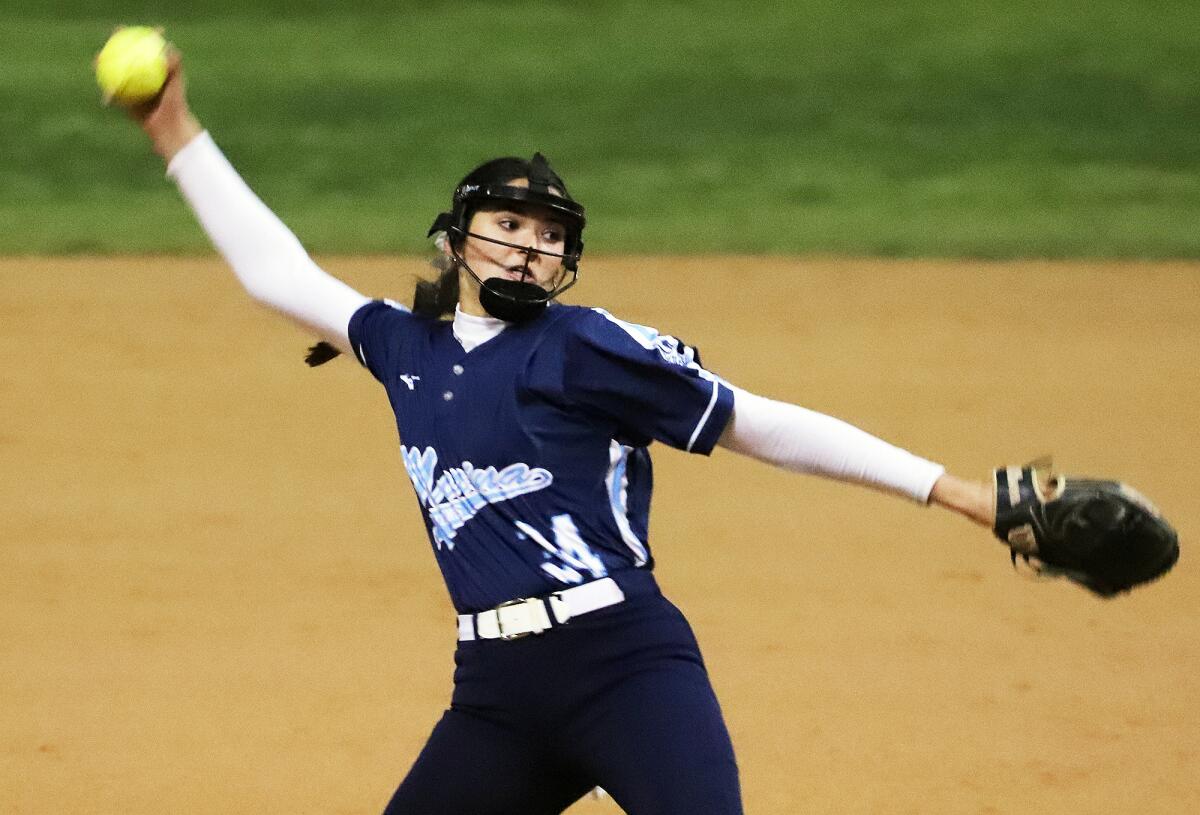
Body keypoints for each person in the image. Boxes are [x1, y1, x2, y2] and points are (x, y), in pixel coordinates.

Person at [128, 50, 997, 815]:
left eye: (550, 237)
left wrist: (950, 488)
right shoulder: (404, 344)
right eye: (509, 226)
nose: (530, 248)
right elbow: (276, 271)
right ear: (457, 237)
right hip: (496, 696)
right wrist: (174, 129)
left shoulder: (583, 345)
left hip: (624, 666)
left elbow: (755, 422)